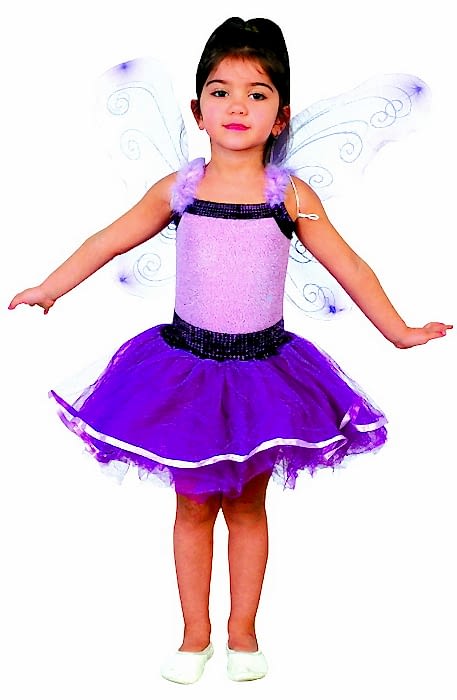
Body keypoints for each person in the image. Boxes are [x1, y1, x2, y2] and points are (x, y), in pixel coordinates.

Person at [8, 16, 452, 685]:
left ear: (281, 116)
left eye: (256, 93)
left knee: (246, 505)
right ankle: (195, 636)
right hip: (183, 374)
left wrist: (398, 329)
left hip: (262, 376)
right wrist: (50, 287)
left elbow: (350, 265)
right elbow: (107, 239)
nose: (237, 105)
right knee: (191, 504)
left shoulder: (289, 195)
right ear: (197, 111)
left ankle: (242, 633)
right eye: (220, 92)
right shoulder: (179, 189)